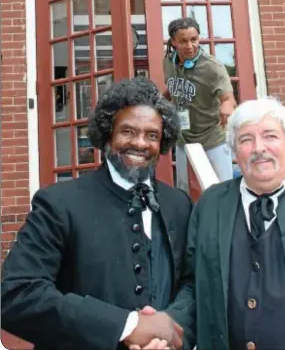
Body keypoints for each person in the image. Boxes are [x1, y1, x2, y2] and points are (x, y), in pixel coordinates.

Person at [1, 77, 192, 350]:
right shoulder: (58, 203)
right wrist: (126, 326)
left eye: (152, 135)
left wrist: (169, 332)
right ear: (108, 135)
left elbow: (192, 283)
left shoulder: (179, 204)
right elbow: (16, 295)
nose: (140, 143)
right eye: (128, 131)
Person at [166, 97, 285, 350]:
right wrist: (171, 329)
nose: (259, 148)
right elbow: (193, 284)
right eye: (246, 139)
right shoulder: (210, 205)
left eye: (270, 136)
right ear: (234, 152)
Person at [163, 17, 236, 193]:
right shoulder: (168, 62)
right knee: (184, 190)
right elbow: (172, 89)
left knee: (221, 190)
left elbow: (228, 98)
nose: (190, 46)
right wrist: (159, 103)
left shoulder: (212, 67)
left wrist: (226, 106)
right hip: (184, 140)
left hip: (212, 139)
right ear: (173, 42)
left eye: (194, 39)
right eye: (183, 41)